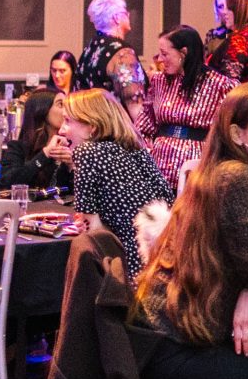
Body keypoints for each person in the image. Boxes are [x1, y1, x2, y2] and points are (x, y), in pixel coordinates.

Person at [132, 157, 248, 379]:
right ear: (237, 134)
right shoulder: (237, 180)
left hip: (169, 348)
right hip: (166, 356)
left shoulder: (218, 176)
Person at [51, 89, 176, 277]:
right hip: (163, 263)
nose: (61, 130)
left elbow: (92, 230)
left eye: (68, 121)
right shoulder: (137, 149)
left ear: (92, 126)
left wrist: (87, 222)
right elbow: (167, 200)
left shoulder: (86, 152)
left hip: (125, 268)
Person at [130, 25, 237, 182]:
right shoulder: (159, 81)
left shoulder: (219, 84)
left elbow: (229, 129)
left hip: (198, 169)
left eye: (165, 53)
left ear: (184, 53)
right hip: (159, 167)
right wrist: (147, 151)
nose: (159, 59)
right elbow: (144, 125)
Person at [0, 86, 71, 192]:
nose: (66, 111)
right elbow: (7, 183)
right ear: (42, 110)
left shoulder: (72, 145)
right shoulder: (18, 148)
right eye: (60, 104)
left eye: (67, 105)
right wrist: (44, 155)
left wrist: (72, 168)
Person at [75, 0, 134, 92]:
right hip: (112, 108)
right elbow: (132, 94)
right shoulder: (121, 52)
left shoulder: (89, 49)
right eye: (125, 13)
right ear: (117, 18)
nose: (128, 15)